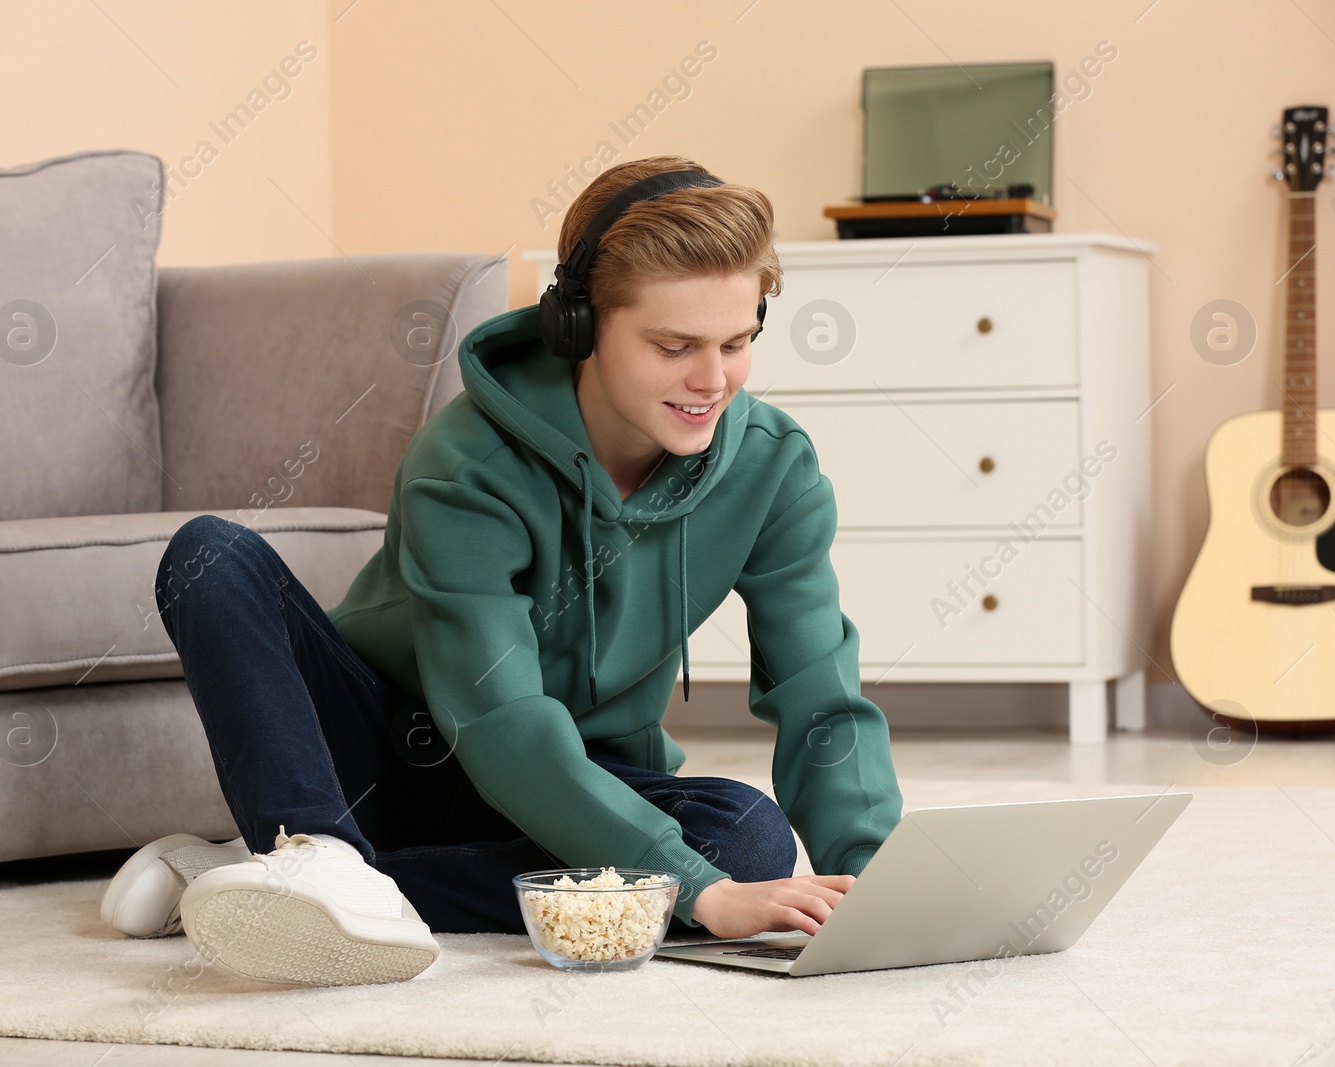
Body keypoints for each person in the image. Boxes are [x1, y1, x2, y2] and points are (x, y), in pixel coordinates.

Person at [99, 155, 904, 986]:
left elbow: (820, 693)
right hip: (387, 752)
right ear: (580, 327)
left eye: (737, 343)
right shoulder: (466, 462)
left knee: (745, 840)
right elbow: (501, 721)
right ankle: (317, 851)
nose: (712, 381)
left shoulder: (773, 469)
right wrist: (693, 894)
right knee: (210, 555)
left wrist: (882, 876)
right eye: (674, 346)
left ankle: (280, 878)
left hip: (574, 778)